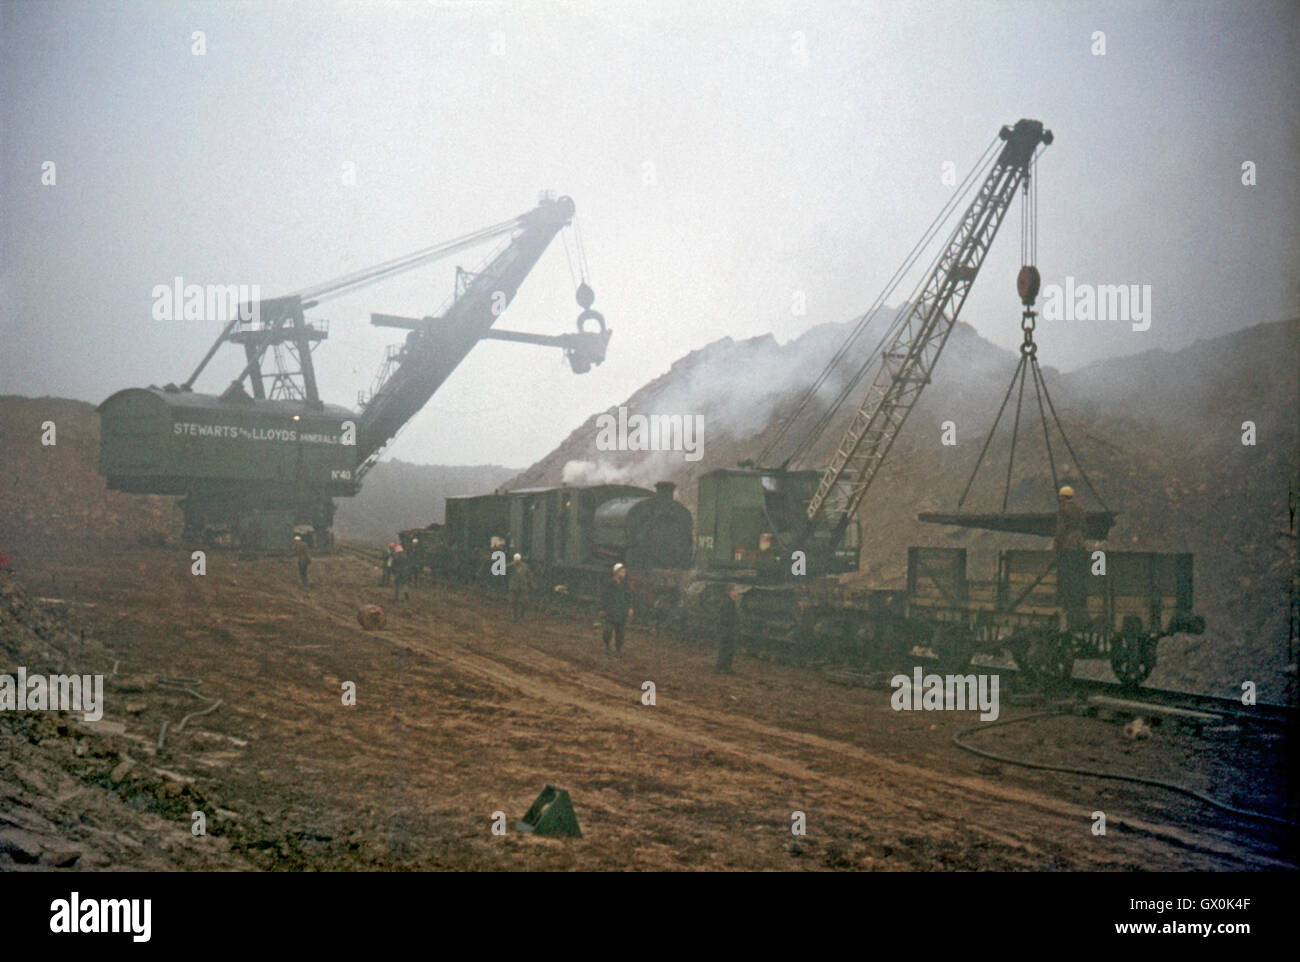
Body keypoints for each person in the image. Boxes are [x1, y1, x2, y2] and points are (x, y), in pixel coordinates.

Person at [599, 563, 634, 653]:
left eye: (624, 572)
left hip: (622, 611)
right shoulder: (609, 584)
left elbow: (629, 596)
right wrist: (603, 609)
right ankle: (607, 646)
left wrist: (630, 608)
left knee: (620, 633)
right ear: (616, 572)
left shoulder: (625, 585)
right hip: (611, 611)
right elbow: (604, 596)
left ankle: (618, 649)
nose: (624, 573)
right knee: (608, 630)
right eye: (622, 571)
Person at [715, 583, 746, 673]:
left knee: (726, 649)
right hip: (728, 629)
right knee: (727, 649)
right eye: (735, 590)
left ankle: (723, 667)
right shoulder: (728, 602)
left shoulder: (728, 601)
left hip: (727, 629)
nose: (737, 592)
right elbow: (726, 617)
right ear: (730, 591)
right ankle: (723, 667)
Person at [1053, 485, 1086, 551]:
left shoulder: (1063, 510)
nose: (1059, 498)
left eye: (1060, 496)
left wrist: (1056, 544)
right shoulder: (1080, 510)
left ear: (1064, 497)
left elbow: (1061, 528)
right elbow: (1084, 527)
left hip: (1067, 544)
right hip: (1080, 542)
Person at [507, 553, 534, 621]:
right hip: (513, 587)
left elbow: (529, 575)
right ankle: (514, 616)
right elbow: (504, 569)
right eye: (516, 560)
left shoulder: (525, 566)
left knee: (524, 602)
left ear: (520, 560)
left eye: (518, 560)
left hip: (523, 587)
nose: (517, 562)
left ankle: (522, 616)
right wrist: (512, 564)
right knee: (513, 602)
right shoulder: (511, 566)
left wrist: (531, 584)